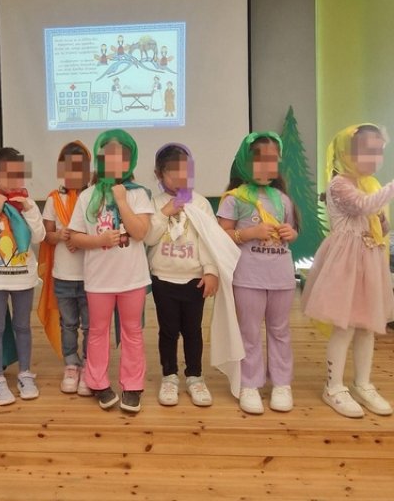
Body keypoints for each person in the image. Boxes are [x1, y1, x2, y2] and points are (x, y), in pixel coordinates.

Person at [302, 124, 394, 418]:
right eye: (367, 151)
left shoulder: (371, 183)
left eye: (378, 151)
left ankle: (362, 383)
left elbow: (378, 223)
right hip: (346, 263)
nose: (374, 158)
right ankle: (334, 386)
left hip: (370, 261)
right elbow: (362, 206)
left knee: (368, 326)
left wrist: (383, 224)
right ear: (347, 152)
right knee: (345, 326)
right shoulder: (339, 184)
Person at [145, 143, 243, 407]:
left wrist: (211, 271)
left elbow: (209, 240)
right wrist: (165, 213)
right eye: (173, 172)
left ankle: (195, 377)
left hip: (194, 279)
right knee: (168, 331)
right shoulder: (154, 204)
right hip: (163, 277)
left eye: (185, 171)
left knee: (193, 331)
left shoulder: (200, 202)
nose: (180, 177)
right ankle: (169, 376)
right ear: (159, 174)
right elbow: (149, 237)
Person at [69, 129, 154, 413]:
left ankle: (132, 386)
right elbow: (75, 237)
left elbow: (140, 232)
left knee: (133, 331)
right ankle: (98, 382)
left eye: (122, 157)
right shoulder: (87, 196)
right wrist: (100, 240)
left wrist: (122, 201)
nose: (115, 162)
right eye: (108, 156)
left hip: (132, 279)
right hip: (99, 280)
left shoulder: (139, 194)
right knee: (97, 331)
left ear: (130, 161)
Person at [217, 132, 298, 415]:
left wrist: (291, 233)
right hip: (248, 277)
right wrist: (250, 232)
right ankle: (249, 383)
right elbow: (221, 235)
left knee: (280, 331)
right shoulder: (233, 199)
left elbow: (291, 232)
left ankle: (281, 383)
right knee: (249, 332)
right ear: (245, 161)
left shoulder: (283, 199)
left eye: (272, 160)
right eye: (259, 159)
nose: (266, 166)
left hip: (281, 277)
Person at [0, 148, 46, 406]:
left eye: (19, 174)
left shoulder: (27, 204)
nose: (15, 180)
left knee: (22, 326)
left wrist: (29, 208)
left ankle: (25, 373)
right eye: (8, 174)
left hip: (23, 277)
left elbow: (40, 236)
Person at [38, 141, 92, 396]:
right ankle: (71, 364)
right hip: (63, 275)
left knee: (90, 325)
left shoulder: (93, 197)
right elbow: (46, 236)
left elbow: (100, 229)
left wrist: (80, 237)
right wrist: (61, 236)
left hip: (91, 275)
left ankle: (90, 365)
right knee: (68, 323)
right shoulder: (53, 199)